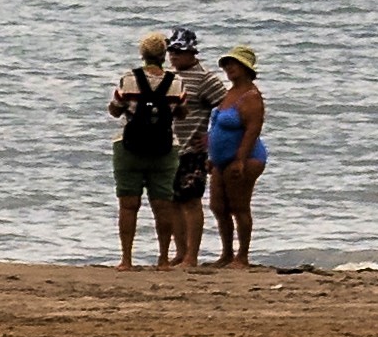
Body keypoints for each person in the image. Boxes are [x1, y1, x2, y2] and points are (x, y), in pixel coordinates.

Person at [107, 34, 175, 267]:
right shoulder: (176, 82)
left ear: (142, 55)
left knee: (128, 205)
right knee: (162, 204)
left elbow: (115, 110)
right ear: (164, 56)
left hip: (129, 147)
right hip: (164, 148)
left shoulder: (129, 79)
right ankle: (164, 258)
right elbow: (181, 111)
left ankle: (126, 259)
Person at [158, 25, 221, 268]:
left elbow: (225, 109)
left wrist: (210, 139)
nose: (173, 56)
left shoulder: (205, 78)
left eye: (178, 51)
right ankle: (180, 252)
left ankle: (192, 256)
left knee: (191, 202)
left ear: (192, 53)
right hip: (171, 148)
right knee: (172, 201)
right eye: (170, 51)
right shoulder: (169, 77)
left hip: (194, 151)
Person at [206, 46, 268, 265]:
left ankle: (242, 255)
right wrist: (212, 156)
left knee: (239, 206)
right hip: (221, 160)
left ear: (246, 68)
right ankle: (226, 253)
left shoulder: (251, 96)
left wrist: (240, 159)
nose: (229, 68)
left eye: (234, 64)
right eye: (226, 65)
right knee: (218, 206)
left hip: (247, 158)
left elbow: (253, 130)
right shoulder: (230, 93)